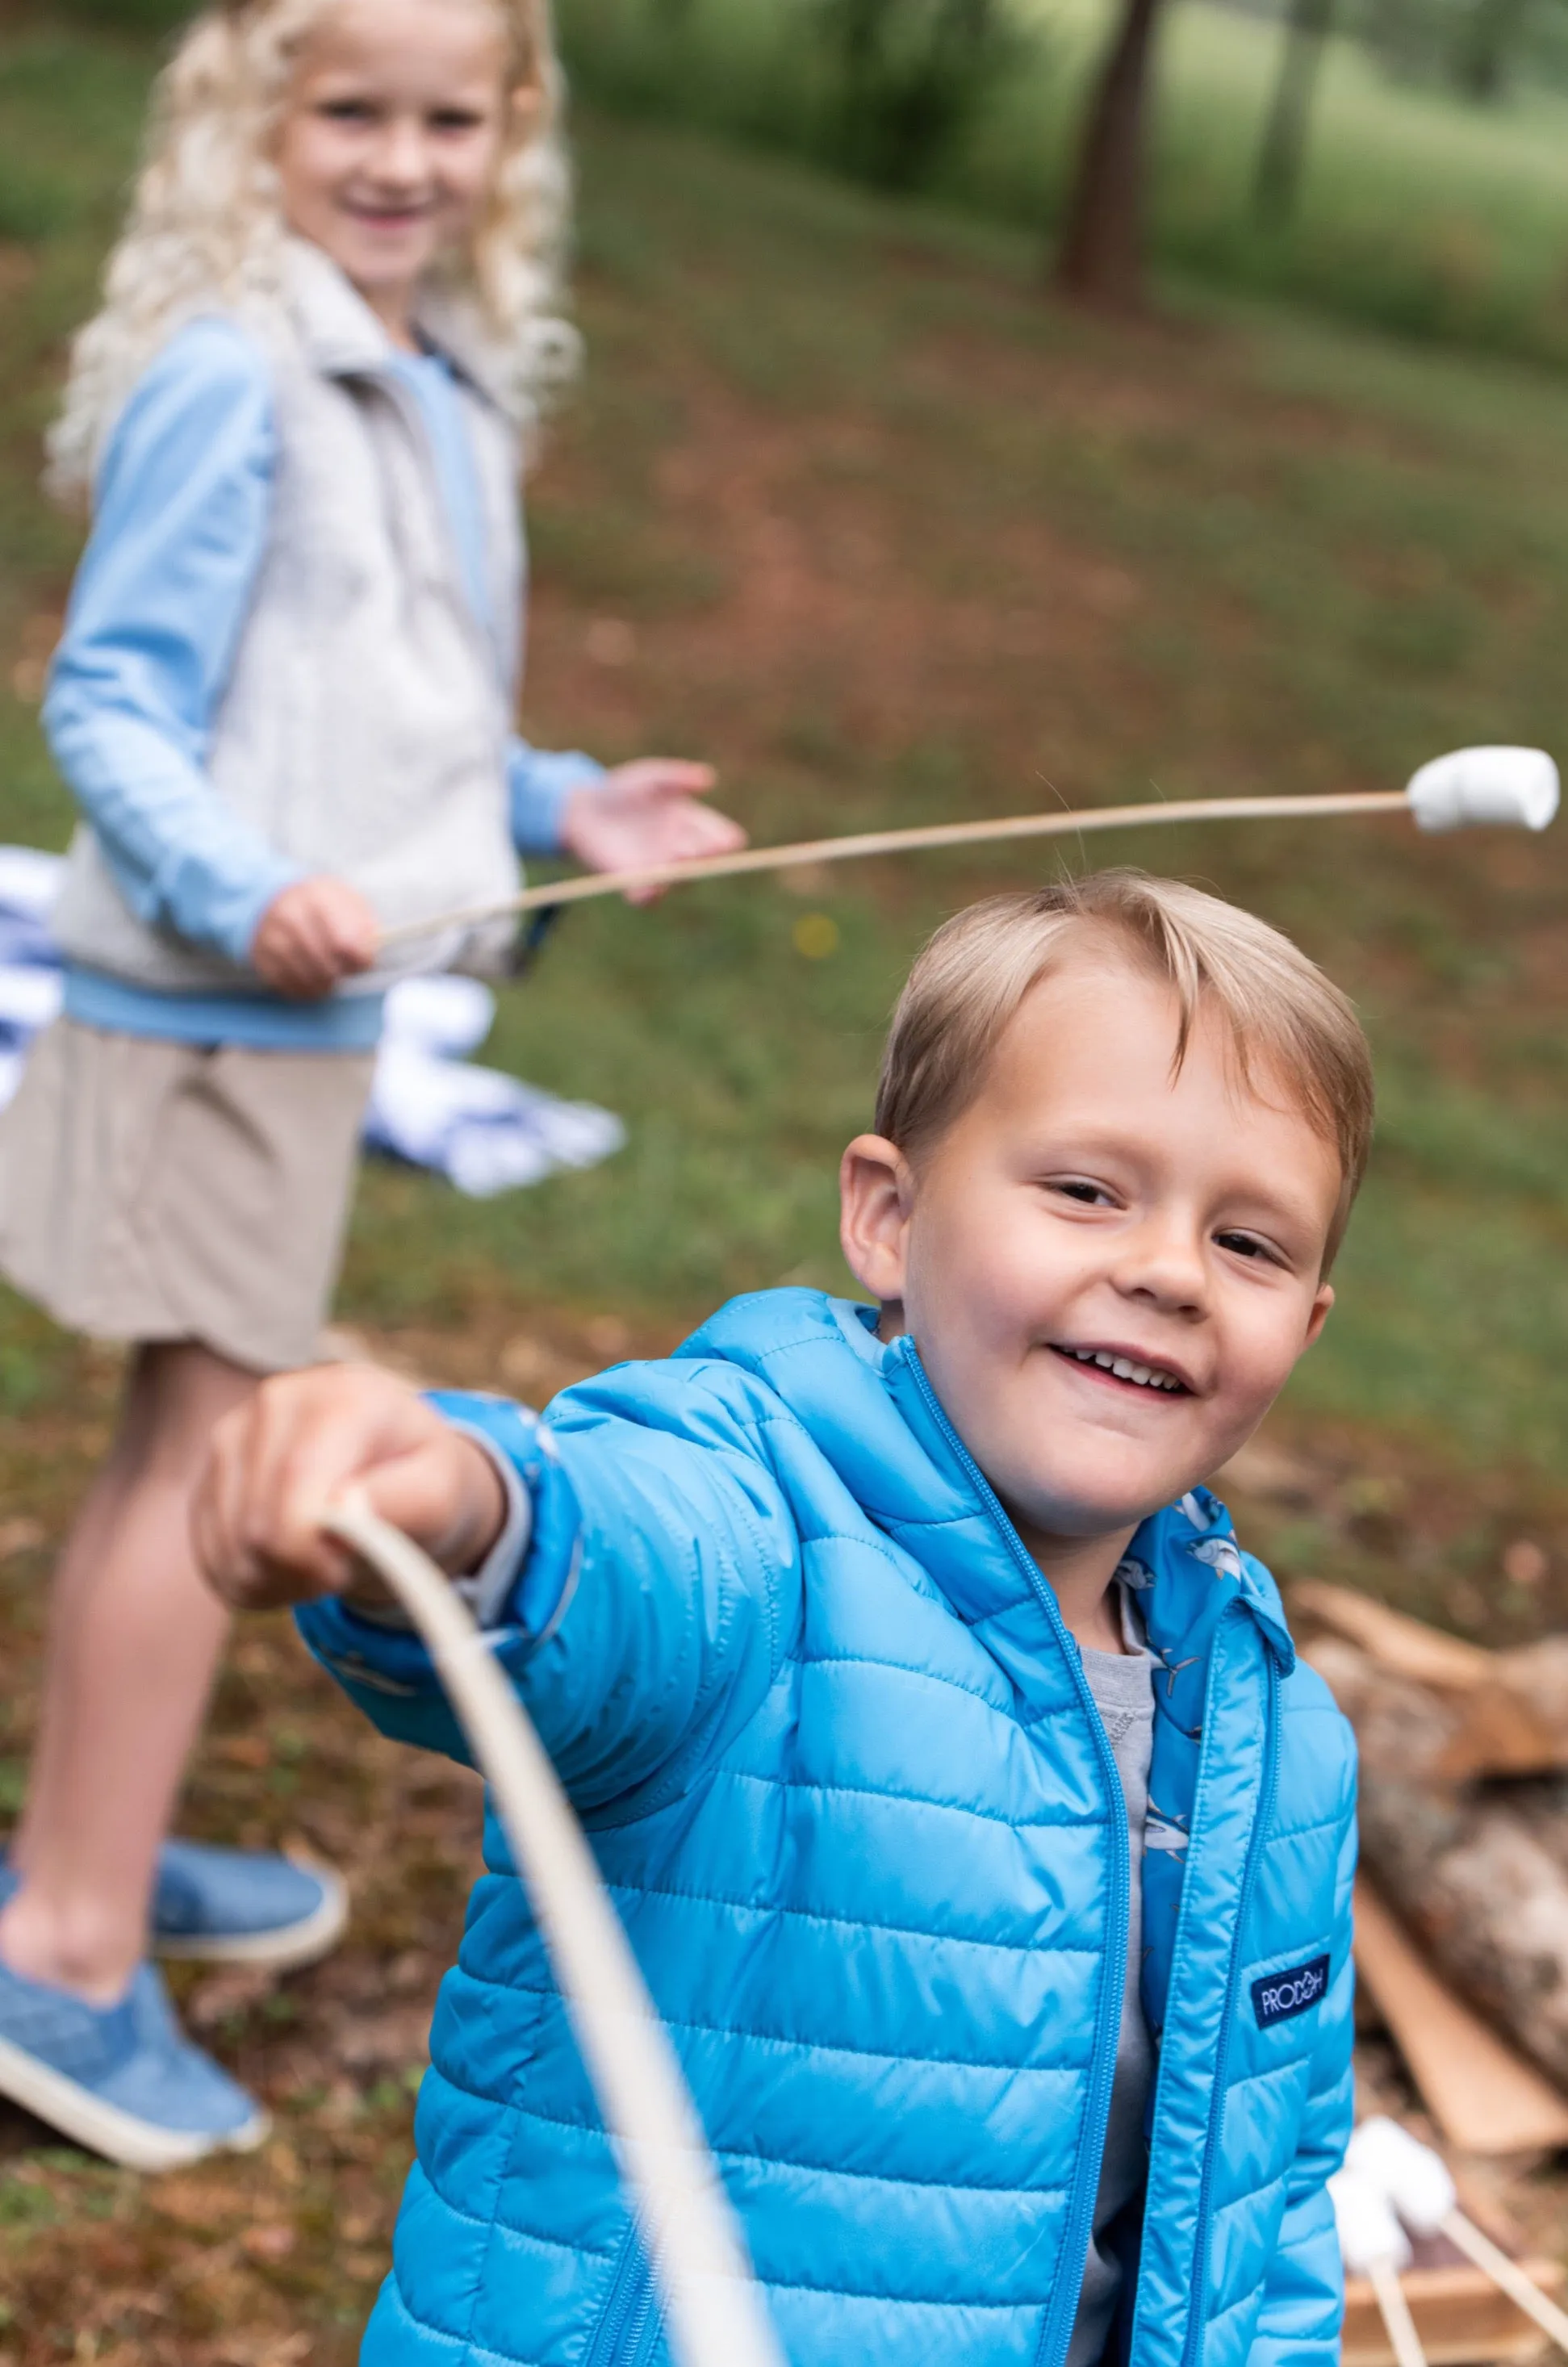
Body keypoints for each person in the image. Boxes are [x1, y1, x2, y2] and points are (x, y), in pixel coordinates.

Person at [196, 870, 1365, 2366]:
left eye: (1250, 1244)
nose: (1163, 1271)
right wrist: (469, 1506)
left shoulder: (1282, 1742)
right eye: (1085, 1189)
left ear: (1307, 1323)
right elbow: (616, 1573)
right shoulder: (759, 1526)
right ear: (887, 1216)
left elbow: (1267, 2223)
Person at [0, 0, 742, 2170]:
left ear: (509, 129)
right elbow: (114, 708)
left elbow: (381, 708)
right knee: (204, 1460)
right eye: (352, 110)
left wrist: (557, 797)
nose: (403, 157)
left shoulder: (423, 373)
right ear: (258, 113)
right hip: (212, 1007)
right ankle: (64, 1939)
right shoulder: (237, 369)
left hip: (296, 1015)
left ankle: (88, 1833)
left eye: (450, 114)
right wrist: (245, 890)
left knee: (181, 1441)